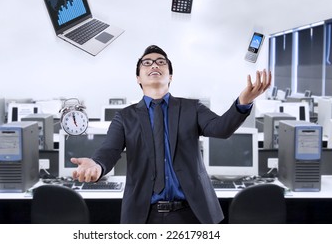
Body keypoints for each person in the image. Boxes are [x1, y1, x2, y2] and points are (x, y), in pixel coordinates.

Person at [71, 45, 271, 224]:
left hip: (193, 213)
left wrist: (243, 103)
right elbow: (110, 149)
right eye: (146, 63)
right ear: (138, 78)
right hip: (144, 216)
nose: (154, 65)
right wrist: (97, 165)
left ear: (171, 76)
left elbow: (221, 128)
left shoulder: (192, 108)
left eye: (161, 62)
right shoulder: (125, 117)